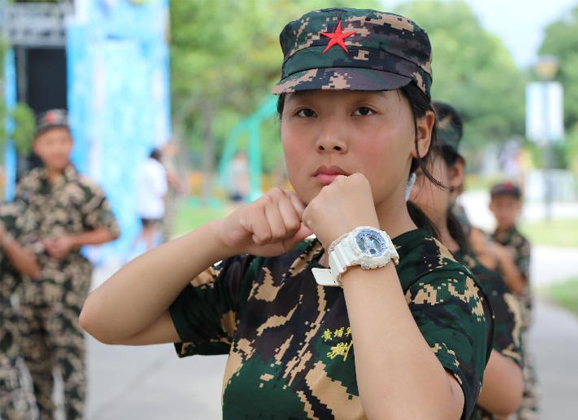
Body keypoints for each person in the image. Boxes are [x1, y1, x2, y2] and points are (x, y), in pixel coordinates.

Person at [80, 8, 493, 420]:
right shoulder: (272, 270)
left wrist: (356, 243)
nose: (329, 139)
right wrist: (220, 237)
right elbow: (105, 320)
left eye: (363, 111)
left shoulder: (441, 285)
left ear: (421, 134)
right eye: (305, 113)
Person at [410, 101, 524, 420]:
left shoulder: (478, 278)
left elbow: (507, 397)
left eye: (415, 170)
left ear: (455, 173)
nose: (400, 185)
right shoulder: (342, 262)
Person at [14, 109, 121, 420]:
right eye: (50, 142)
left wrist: (73, 240)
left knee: (70, 365)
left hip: (67, 293)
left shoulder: (85, 189)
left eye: (63, 141)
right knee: (36, 364)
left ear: (71, 144)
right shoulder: (27, 187)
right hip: (30, 292)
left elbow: (111, 230)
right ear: (37, 147)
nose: (57, 148)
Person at [488, 181, 538, 420]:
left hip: (517, 317)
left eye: (510, 206)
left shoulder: (520, 242)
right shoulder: (485, 240)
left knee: (522, 369)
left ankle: (527, 412)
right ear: (490, 207)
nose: (504, 211)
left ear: (519, 208)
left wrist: (501, 257)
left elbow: (519, 284)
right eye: (499, 205)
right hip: (495, 316)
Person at [0, 202, 40, 420]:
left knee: (18, 412)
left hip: (4, 341)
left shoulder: (11, 216)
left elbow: (33, 269)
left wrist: (5, 240)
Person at [136, 148, 168, 250]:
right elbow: (160, 190)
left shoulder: (142, 166)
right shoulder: (157, 168)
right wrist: (164, 202)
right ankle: (149, 252)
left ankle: (130, 250)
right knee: (150, 233)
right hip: (153, 208)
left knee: (144, 230)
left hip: (142, 206)